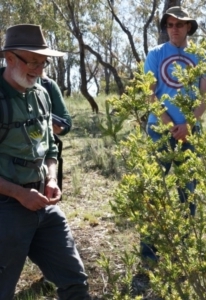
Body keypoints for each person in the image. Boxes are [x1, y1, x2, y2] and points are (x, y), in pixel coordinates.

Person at [0, 24, 90, 300]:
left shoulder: (41, 94)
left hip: (43, 205)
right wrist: (19, 194)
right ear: (10, 58)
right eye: (34, 62)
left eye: (43, 63)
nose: (40, 70)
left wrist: (50, 177)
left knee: (75, 282)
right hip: (6, 208)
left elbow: (50, 146)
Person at [141, 6, 206, 262]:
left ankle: (185, 251)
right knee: (154, 187)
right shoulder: (155, 54)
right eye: (170, 25)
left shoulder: (201, 55)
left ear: (188, 28)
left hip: (190, 132)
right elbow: (150, 93)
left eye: (179, 25)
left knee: (188, 189)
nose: (174, 29)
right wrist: (170, 124)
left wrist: (188, 124)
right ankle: (149, 253)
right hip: (158, 131)